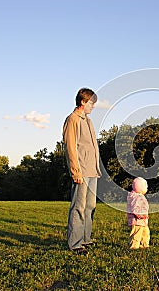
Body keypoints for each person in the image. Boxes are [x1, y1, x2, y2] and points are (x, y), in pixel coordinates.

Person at [63, 88, 101, 253]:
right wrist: (75, 171)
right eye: (92, 103)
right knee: (78, 206)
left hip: (92, 170)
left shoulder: (88, 120)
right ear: (83, 102)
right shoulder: (73, 119)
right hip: (81, 170)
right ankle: (75, 244)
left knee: (90, 206)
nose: (93, 106)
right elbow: (70, 147)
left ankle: (86, 239)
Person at [127, 177, 150, 249]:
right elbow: (135, 208)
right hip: (137, 220)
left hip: (142, 220)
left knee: (145, 233)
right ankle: (133, 246)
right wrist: (140, 216)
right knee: (136, 234)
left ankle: (144, 244)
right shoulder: (136, 197)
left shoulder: (138, 196)